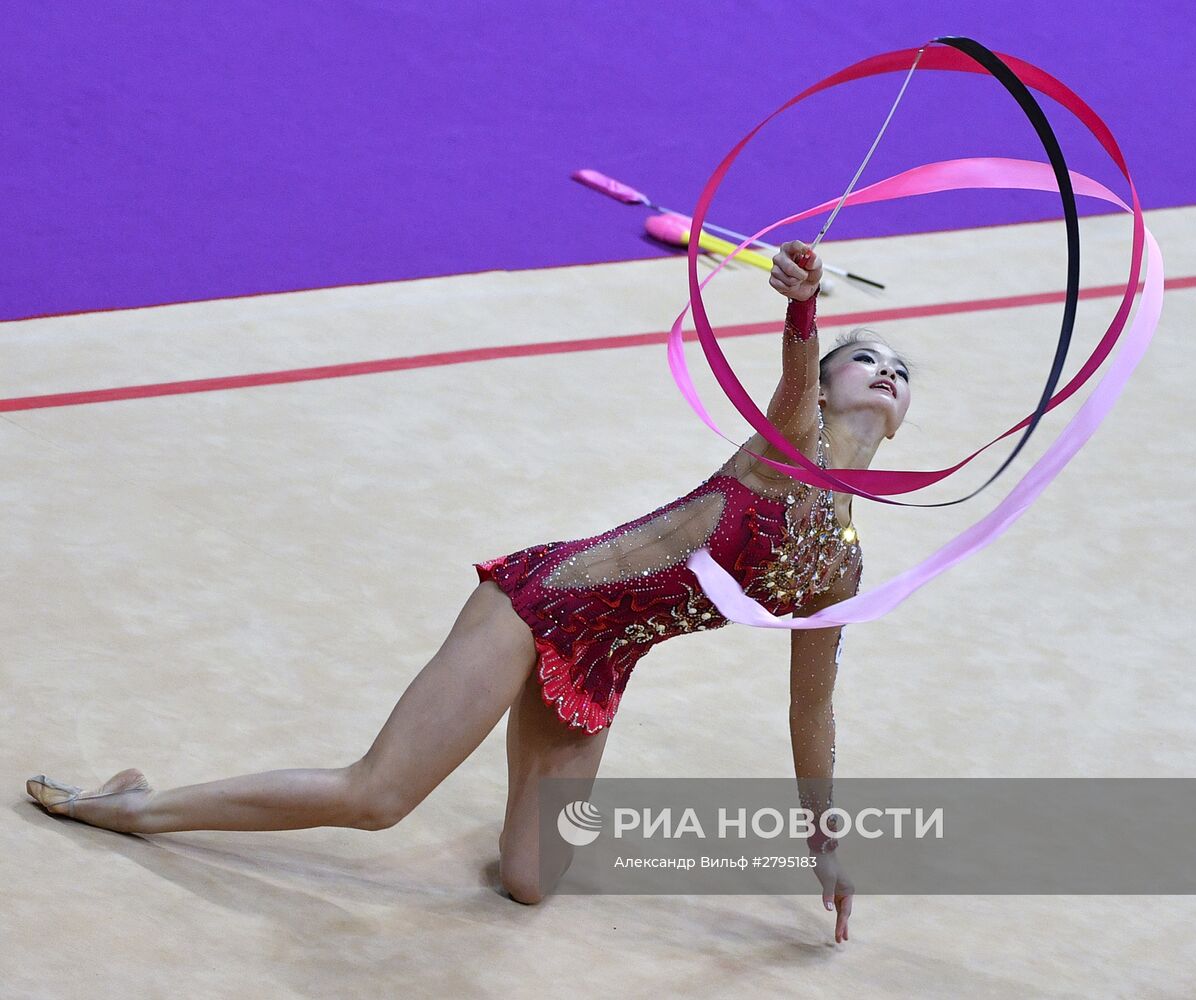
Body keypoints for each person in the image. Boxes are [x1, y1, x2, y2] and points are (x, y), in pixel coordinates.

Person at [27, 240, 910, 943]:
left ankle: (511, 766)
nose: (886, 374)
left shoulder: (840, 567)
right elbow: (794, 369)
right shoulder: (791, 446)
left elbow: (811, 713)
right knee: (375, 798)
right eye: (865, 357)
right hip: (540, 605)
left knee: (529, 883)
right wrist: (801, 301)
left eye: (900, 374)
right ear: (829, 383)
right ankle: (136, 806)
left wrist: (820, 843)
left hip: (597, 665)